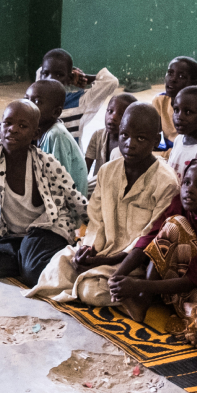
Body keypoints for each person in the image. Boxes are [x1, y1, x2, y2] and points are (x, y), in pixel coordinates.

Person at [27, 103, 178, 305]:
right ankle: (88, 280)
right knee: (58, 265)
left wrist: (104, 262)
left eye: (140, 138)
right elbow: (96, 219)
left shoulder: (166, 182)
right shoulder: (107, 171)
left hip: (133, 262)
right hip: (101, 252)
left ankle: (137, 295)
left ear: (156, 140)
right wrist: (88, 250)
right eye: (124, 135)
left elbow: (149, 238)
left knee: (91, 290)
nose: (130, 144)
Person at [107, 159, 197, 343]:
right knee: (173, 225)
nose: (190, 189)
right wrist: (117, 276)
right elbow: (150, 238)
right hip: (182, 279)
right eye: (186, 182)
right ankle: (143, 302)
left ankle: (174, 308)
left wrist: (138, 285)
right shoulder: (182, 204)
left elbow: (195, 280)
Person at [0, 101, 88, 288]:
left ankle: (43, 257)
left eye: (22, 126)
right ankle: (32, 257)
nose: (13, 130)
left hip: (46, 229)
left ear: (35, 134)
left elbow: (74, 197)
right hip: (14, 235)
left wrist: (95, 238)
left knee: (32, 273)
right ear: (0, 126)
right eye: (7, 123)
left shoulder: (46, 163)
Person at [36, 48, 119, 147]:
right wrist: (67, 72)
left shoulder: (80, 102)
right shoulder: (35, 99)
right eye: (46, 74)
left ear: (69, 78)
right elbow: (41, 70)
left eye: (59, 74)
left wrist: (84, 78)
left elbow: (111, 81)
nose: (51, 79)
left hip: (67, 161)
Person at [26, 79, 89, 195]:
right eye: (26, 99)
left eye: (37, 101)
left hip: (68, 205)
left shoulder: (56, 135)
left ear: (56, 112)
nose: (29, 105)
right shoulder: (40, 131)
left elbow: (58, 183)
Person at [83, 93, 135, 194]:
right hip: (97, 188)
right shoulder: (98, 136)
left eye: (121, 114)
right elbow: (85, 168)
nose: (113, 117)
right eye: (110, 111)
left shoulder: (131, 145)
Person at [153, 56, 197, 146]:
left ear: (193, 83)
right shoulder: (160, 101)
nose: (172, 79)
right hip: (168, 152)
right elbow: (153, 137)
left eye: (181, 76)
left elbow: (191, 147)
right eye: (170, 73)